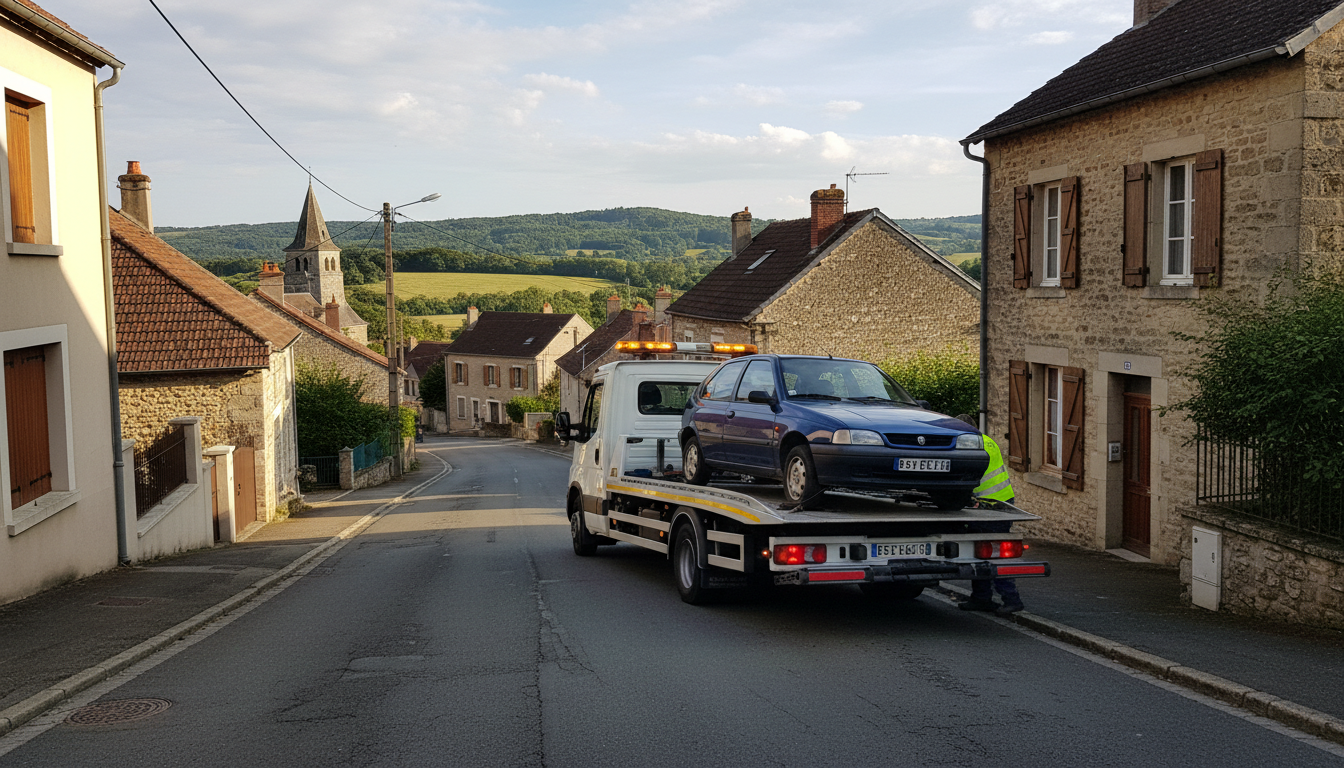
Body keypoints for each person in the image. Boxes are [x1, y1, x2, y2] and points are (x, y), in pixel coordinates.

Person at [955, 414, 1024, 617]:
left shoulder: (971, 445)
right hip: (999, 503)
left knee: (993, 554)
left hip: (989, 506)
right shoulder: (988, 441)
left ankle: (1011, 599)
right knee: (981, 552)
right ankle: (981, 598)